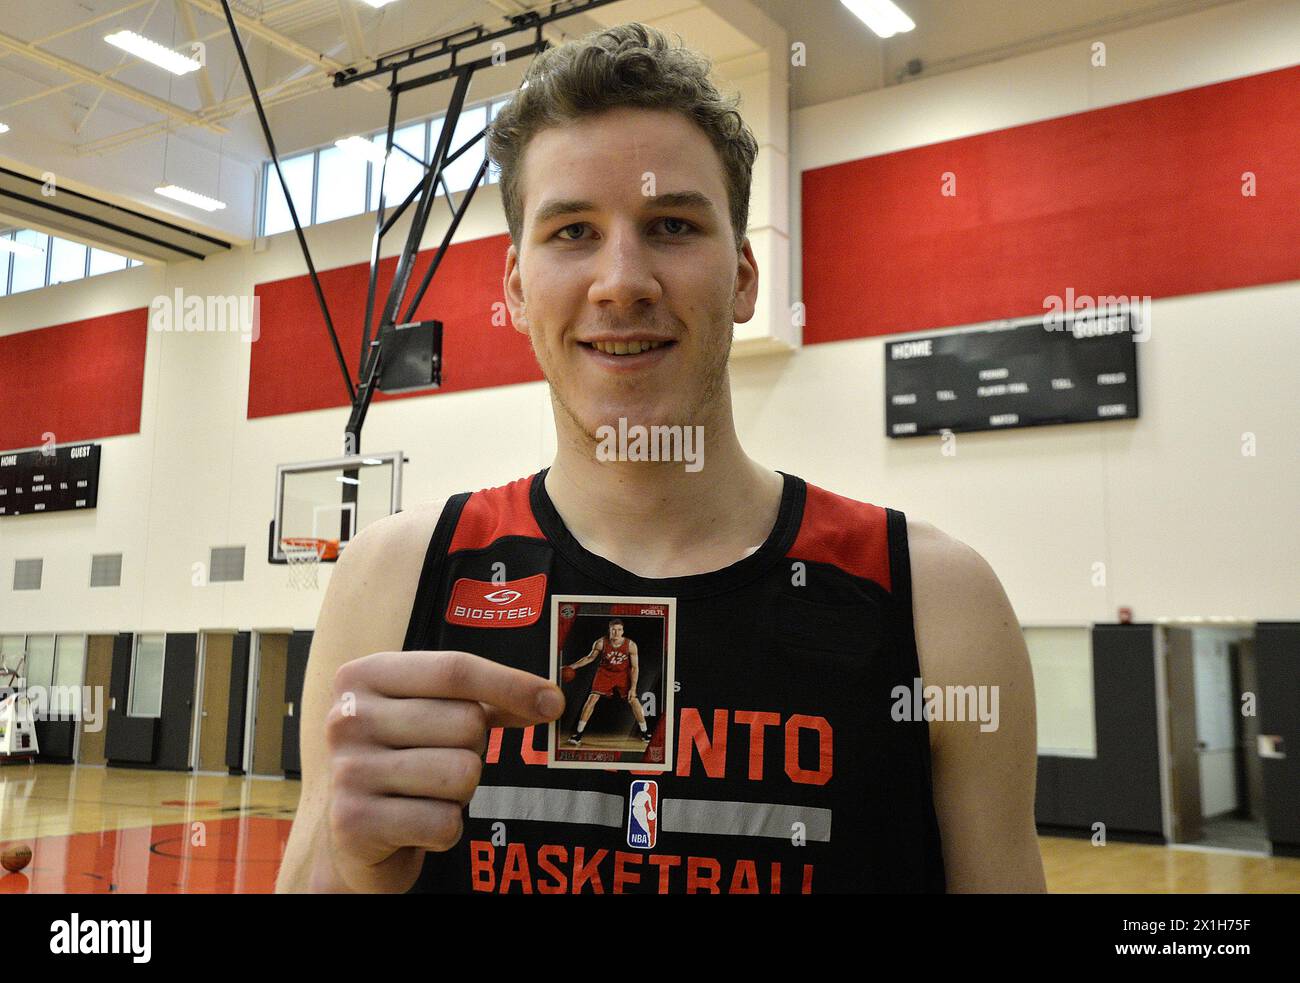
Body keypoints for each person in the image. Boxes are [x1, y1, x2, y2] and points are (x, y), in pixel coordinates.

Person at [276, 22, 1046, 894]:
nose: (622, 281)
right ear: (517, 289)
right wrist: (352, 869)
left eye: (672, 224)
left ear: (746, 275)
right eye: (571, 231)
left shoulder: (934, 602)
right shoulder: (395, 576)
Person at [563, 618, 651, 747]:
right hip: (605, 673)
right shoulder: (600, 642)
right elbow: (589, 658)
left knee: (634, 700)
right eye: (613, 630)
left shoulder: (630, 645)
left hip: (623, 674)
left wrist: (633, 688)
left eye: (619, 630)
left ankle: (644, 732)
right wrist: (571, 667)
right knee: (591, 699)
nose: (616, 633)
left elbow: (635, 667)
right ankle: (578, 734)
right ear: (609, 630)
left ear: (622, 631)